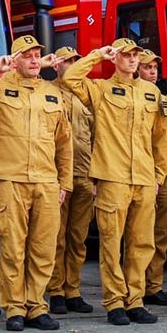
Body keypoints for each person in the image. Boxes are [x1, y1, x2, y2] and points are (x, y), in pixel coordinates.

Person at [0, 36, 73, 331]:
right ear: (15, 59)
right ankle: (15, 308)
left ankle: (37, 307)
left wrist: (65, 182)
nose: (34, 60)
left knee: (43, 248)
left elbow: (64, 141)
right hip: (11, 179)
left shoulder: (52, 93)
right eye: (27, 55)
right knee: (13, 248)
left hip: (46, 180)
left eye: (36, 55)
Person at [61, 39, 167, 326]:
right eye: (126, 55)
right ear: (115, 58)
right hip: (113, 177)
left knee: (141, 243)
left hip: (144, 178)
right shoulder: (101, 89)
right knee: (111, 243)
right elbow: (71, 77)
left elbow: (160, 137)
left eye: (135, 55)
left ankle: (135, 301)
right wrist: (98, 54)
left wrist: (159, 175)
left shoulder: (151, 92)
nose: (132, 59)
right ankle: (114, 302)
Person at [47, 46, 96, 315]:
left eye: (75, 61)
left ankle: (73, 290)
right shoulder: (48, 91)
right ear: (55, 65)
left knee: (78, 237)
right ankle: (56, 291)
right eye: (66, 61)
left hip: (85, 174)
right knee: (56, 236)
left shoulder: (85, 94)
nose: (71, 64)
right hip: (56, 176)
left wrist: (96, 175)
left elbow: (97, 135)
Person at [139, 49, 167, 307]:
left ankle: (154, 286)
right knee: (138, 234)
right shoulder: (133, 98)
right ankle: (134, 286)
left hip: (164, 176)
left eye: (155, 68)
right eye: (147, 68)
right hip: (141, 174)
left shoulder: (165, 102)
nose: (153, 72)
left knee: (161, 233)